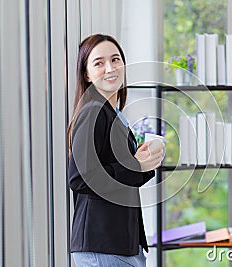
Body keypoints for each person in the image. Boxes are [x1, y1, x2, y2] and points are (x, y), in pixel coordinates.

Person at [67, 34, 164, 267]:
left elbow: (116, 177)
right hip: (104, 245)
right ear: (87, 75)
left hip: (120, 245)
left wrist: (143, 161)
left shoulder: (113, 114)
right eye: (98, 63)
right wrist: (135, 164)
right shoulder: (93, 111)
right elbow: (79, 177)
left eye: (115, 59)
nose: (110, 68)